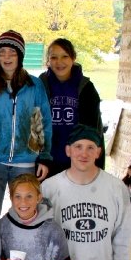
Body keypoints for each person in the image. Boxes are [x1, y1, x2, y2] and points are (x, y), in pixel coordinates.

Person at [42, 124, 131, 260]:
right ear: (68, 150)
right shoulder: (49, 188)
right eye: (78, 147)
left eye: (90, 147)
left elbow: (123, 237)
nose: (84, 153)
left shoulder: (115, 188)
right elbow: (41, 238)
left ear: (98, 152)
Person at [0, 30, 53, 222]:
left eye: (12, 52)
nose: (6, 57)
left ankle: (19, 251)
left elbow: (43, 121)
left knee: (25, 212)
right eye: (2, 52)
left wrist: (45, 156)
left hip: (25, 161)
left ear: (20, 56)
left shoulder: (34, 85)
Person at [39, 38, 104, 175]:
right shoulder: (41, 85)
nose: (59, 62)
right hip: (45, 160)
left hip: (76, 161)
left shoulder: (86, 88)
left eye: (65, 56)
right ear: (48, 61)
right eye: (54, 57)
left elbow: (92, 130)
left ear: (73, 58)